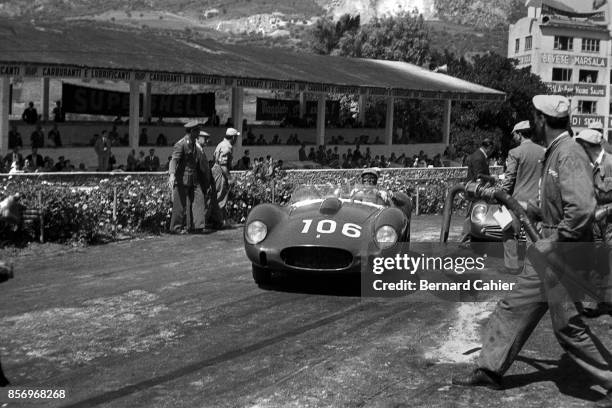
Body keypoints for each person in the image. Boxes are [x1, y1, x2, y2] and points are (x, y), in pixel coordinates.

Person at [452, 95, 612, 408]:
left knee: (568, 325)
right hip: (550, 244)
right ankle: (490, 369)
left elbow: (581, 210)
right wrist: (531, 209)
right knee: (516, 304)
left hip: (563, 249)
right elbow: (560, 204)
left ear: (540, 120)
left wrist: (554, 240)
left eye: (534, 118)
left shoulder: (569, 154)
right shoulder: (555, 152)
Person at [574, 128, 612, 318]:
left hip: (610, 223)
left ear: (588, 146)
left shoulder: (611, 163)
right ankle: (602, 302)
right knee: (598, 263)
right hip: (595, 223)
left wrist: (605, 210)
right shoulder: (589, 166)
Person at [501, 120, 545, 274]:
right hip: (537, 201)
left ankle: (512, 266)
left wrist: (501, 195)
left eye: (514, 134)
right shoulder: (544, 151)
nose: (513, 137)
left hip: (516, 201)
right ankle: (533, 267)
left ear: (520, 134)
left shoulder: (515, 152)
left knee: (509, 231)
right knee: (533, 235)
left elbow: (509, 178)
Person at [168, 121, 207, 233]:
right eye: (197, 131)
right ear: (192, 131)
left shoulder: (195, 143)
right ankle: (175, 228)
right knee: (179, 204)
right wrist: (171, 175)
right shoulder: (181, 144)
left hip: (194, 178)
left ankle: (198, 226)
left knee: (199, 199)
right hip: (182, 178)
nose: (199, 133)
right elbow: (174, 160)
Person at [459, 138, 495, 245]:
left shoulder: (479, 155)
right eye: (491, 149)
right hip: (475, 190)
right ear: (489, 147)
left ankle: (469, 235)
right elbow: (478, 175)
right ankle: (465, 236)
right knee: (472, 212)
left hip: (477, 189)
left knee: (474, 212)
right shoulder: (478, 157)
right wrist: (491, 178)